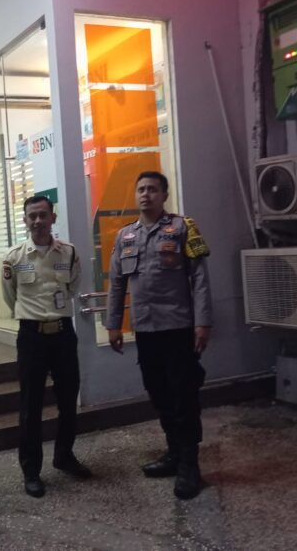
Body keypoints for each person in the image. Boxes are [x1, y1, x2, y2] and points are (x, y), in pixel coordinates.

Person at [105, 171, 212, 500]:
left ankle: (190, 464)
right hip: (146, 329)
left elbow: (200, 279)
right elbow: (116, 283)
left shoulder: (182, 228)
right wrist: (113, 324)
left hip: (178, 328)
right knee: (158, 393)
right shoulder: (125, 236)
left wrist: (203, 322)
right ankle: (174, 453)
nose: (145, 194)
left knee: (184, 396)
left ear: (164, 195)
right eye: (141, 189)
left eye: (152, 189)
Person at [1, 195, 92, 498]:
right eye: (32, 216)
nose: (37, 221)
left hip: (63, 334)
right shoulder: (14, 257)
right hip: (32, 337)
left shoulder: (69, 252)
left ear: (53, 217)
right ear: (25, 220)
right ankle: (31, 470)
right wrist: (33, 316)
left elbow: (73, 286)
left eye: (43, 215)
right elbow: (10, 296)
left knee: (68, 399)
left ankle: (64, 456)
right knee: (31, 405)